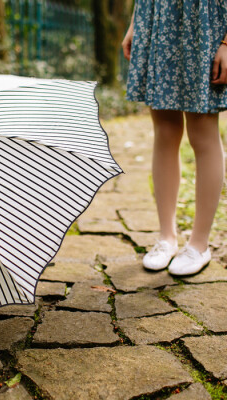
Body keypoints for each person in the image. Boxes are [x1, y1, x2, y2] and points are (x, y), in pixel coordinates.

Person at [121, 0, 227, 275]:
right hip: (157, 16)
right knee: (165, 130)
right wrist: (135, 22)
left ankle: (199, 244)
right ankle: (166, 237)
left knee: (202, 129)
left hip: (203, 20)